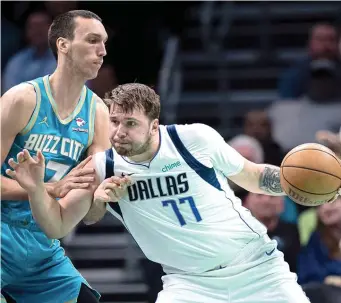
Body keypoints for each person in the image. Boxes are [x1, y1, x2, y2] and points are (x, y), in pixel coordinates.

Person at [9, 83, 334, 303]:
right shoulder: (99, 166)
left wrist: (302, 184)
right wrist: (86, 197)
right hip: (188, 284)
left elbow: (253, 176)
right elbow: (66, 224)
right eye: (114, 121)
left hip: (256, 269)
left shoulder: (193, 140)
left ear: (154, 125)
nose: (119, 132)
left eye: (130, 124)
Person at [1, 10, 111, 303]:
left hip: (41, 245)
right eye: (92, 41)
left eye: (104, 42)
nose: (102, 51)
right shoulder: (21, 100)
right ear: (63, 45)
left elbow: (92, 207)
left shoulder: (98, 113)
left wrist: (101, 196)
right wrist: (48, 189)